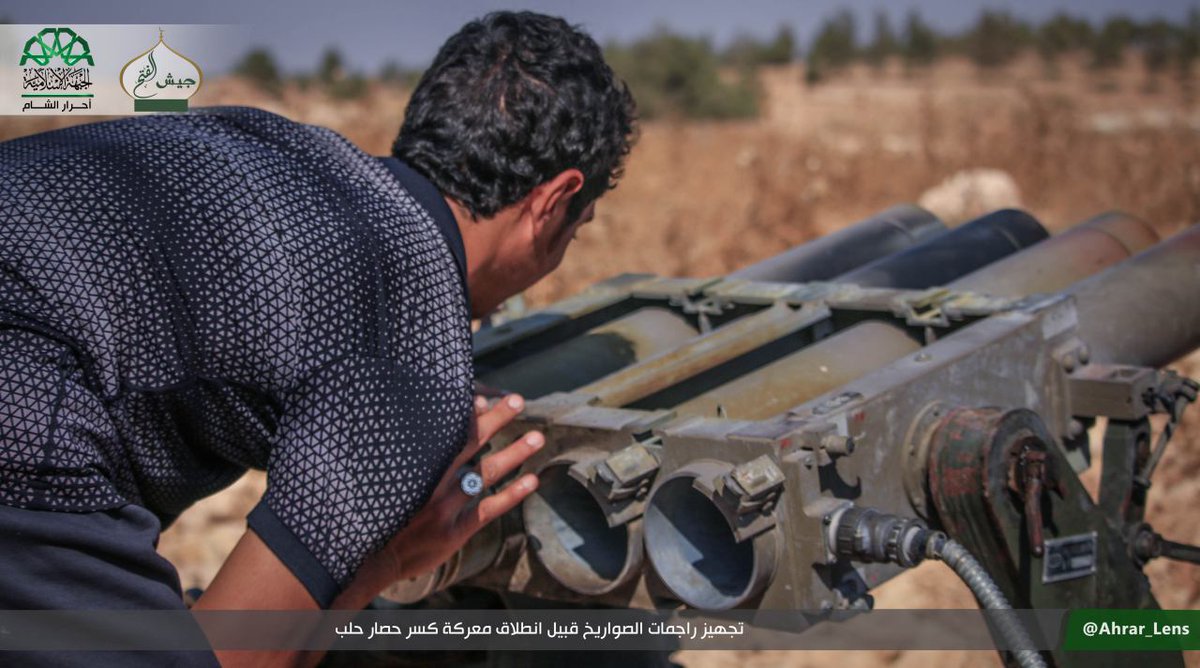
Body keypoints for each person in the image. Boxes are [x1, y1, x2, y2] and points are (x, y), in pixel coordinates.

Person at [0, 10, 636, 667]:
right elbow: (238, 655)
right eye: (577, 226)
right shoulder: (410, 341)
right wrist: (389, 558)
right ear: (551, 202)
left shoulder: (276, 145)